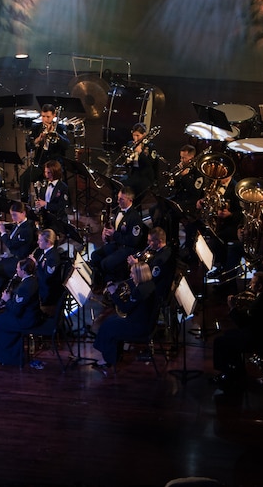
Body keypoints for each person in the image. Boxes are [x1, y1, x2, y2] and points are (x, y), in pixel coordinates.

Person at [92, 228, 174, 370]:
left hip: (140, 327)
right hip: (144, 320)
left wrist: (113, 293)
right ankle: (113, 355)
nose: (130, 276)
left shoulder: (140, 291)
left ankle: (108, 360)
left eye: (132, 274)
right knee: (111, 321)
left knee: (108, 325)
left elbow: (124, 308)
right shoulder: (147, 285)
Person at [211, 270, 263, 390]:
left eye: (252, 282)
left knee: (219, 341)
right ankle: (237, 370)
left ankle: (226, 373)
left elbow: (242, 324)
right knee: (229, 334)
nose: (250, 284)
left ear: (259, 286)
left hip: (258, 340)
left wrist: (232, 308)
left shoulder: (258, 303)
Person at [0, 257, 40, 366]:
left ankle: (6, 357)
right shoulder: (32, 280)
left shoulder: (25, 287)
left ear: (23, 271)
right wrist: (4, 303)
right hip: (28, 314)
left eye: (18, 268)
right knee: (0, 319)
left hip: (25, 320)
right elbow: (20, 303)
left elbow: (16, 311)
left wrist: (7, 300)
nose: (16, 270)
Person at [90, 186, 148, 285]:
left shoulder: (135, 218)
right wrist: (106, 231)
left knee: (106, 263)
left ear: (130, 200)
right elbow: (115, 225)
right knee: (95, 255)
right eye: (118, 198)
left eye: (121, 199)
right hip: (118, 244)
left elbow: (133, 241)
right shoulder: (120, 209)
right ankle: (98, 280)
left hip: (127, 249)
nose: (118, 201)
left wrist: (114, 234)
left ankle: (109, 285)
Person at [0, 202, 37, 301]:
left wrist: (2, 232)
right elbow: (12, 226)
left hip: (20, 261)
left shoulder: (26, 230)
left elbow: (11, 244)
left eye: (15, 215)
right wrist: (0, 223)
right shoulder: (21, 223)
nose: (13, 218)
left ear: (23, 213)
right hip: (14, 257)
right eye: (11, 215)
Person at [20, 104, 71, 197]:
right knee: (24, 178)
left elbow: (67, 145)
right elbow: (28, 147)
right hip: (40, 163)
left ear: (54, 115)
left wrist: (56, 135)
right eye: (43, 116)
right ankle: (25, 204)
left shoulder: (60, 128)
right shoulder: (36, 127)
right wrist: (38, 139)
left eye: (48, 117)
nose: (45, 119)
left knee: (51, 184)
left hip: (54, 164)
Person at [117, 123, 159, 202]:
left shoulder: (150, 146)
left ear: (144, 135)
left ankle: (132, 206)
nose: (135, 138)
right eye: (134, 135)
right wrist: (127, 161)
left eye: (138, 135)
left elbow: (150, 164)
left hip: (144, 176)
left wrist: (141, 154)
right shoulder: (130, 144)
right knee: (119, 183)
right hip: (134, 173)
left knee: (131, 186)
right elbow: (126, 163)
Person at [30, 159, 70, 241]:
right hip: (45, 217)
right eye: (45, 172)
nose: (46, 175)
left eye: (49, 173)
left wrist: (46, 204)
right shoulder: (44, 184)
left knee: (48, 239)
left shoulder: (63, 187)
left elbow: (61, 206)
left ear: (55, 172)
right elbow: (41, 199)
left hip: (56, 219)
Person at [33, 229, 63, 316]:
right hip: (42, 284)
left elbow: (46, 278)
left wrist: (35, 265)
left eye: (40, 240)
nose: (38, 242)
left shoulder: (53, 257)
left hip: (47, 292)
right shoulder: (44, 252)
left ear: (48, 242)